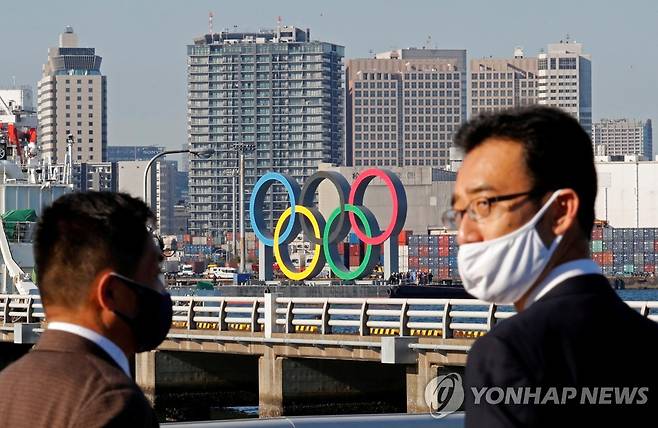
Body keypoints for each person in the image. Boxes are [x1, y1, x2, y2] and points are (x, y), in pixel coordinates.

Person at [445, 106, 658, 427]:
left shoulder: (507, 354)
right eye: (459, 213)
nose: (464, 234)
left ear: (560, 212)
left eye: (482, 205)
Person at [0, 192, 172, 427]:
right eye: (154, 274)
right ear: (111, 293)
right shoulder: (112, 401)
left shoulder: (8, 385)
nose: (162, 290)